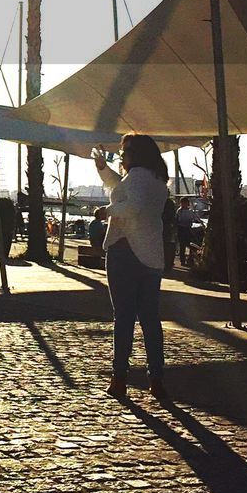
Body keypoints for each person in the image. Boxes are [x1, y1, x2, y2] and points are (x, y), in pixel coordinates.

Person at [94, 135, 169, 401]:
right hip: (152, 255)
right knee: (151, 319)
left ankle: (119, 378)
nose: (121, 156)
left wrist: (106, 212)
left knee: (124, 317)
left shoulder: (136, 175)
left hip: (126, 250)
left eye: (124, 152)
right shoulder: (158, 179)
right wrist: (104, 169)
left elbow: (131, 205)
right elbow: (124, 188)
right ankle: (156, 378)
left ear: (135, 155)